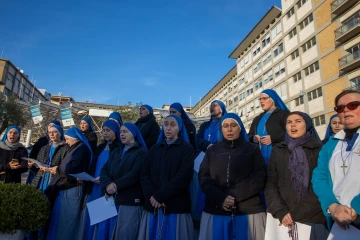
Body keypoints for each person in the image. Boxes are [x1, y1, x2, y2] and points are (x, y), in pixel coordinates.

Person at [198, 113, 266, 240]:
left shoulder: (253, 149)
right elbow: (204, 177)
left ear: (240, 127)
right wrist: (220, 197)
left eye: (233, 125)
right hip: (216, 209)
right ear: (221, 129)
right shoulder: (212, 151)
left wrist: (233, 196)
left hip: (247, 210)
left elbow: (259, 176)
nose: (229, 129)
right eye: (225, 126)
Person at [265, 111, 329, 239]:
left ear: (307, 125)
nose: (292, 125)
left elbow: (321, 183)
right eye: (289, 122)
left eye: (298, 121)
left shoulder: (319, 149)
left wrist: (295, 214)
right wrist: (281, 211)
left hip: (312, 217)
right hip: (282, 218)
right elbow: (271, 183)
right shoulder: (278, 150)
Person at [138, 114, 194, 240]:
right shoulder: (154, 149)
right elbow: (144, 174)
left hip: (175, 208)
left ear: (179, 128)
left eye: (173, 125)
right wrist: (152, 196)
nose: (168, 128)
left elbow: (183, 176)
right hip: (153, 206)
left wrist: (160, 196)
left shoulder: (186, 148)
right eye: (166, 124)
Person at [313, 90, 360, 235]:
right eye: (340, 108)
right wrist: (332, 206)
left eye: (353, 105)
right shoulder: (330, 144)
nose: (345, 110)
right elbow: (319, 176)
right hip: (337, 220)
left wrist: (356, 208)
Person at [100, 122, 147, 240]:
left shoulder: (141, 152)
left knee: (125, 234)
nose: (121, 134)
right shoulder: (117, 151)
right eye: (120, 132)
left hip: (129, 201)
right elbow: (104, 170)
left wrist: (115, 185)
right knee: (107, 232)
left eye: (125, 131)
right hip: (111, 198)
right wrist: (107, 185)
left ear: (134, 134)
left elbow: (134, 174)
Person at [43, 127, 92, 240]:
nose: (66, 142)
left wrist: (57, 170)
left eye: (67, 139)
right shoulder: (76, 148)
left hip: (72, 189)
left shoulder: (81, 149)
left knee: (68, 219)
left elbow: (69, 168)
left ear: (74, 138)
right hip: (68, 187)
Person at [80, 120, 121, 240]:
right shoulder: (100, 147)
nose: (105, 133)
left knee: (102, 222)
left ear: (115, 132)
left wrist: (105, 180)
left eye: (108, 130)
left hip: (106, 188)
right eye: (103, 130)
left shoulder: (118, 148)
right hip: (94, 187)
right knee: (91, 220)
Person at [192, 100, 227, 226]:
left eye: (215, 105)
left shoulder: (226, 122)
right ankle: (200, 216)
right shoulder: (204, 125)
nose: (212, 107)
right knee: (202, 186)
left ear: (222, 108)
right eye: (211, 105)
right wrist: (208, 146)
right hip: (205, 158)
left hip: (222, 159)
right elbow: (198, 139)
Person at [248, 89, 290, 165]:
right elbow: (249, 136)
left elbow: (291, 133)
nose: (261, 101)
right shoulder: (257, 119)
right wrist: (253, 138)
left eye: (264, 98)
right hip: (260, 159)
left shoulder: (283, 114)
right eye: (260, 99)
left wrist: (273, 138)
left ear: (273, 99)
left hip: (280, 158)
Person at [29, 124, 68, 192]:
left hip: (54, 179)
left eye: (55, 132)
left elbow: (65, 167)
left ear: (60, 133)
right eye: (49, 132)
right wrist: (32, 165)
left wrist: (50, 169)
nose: (51, 134)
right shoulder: (45, 148)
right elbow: (37, 166)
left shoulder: (66, 148)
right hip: (41, 179)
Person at [27, 120, 62, 184]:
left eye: (53, 126)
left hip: (54, 174)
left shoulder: (63, 146)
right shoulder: (42, 141)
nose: (51, 127)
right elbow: (34, 153)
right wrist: (32, 162)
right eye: (49, 125)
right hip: (40, 172)